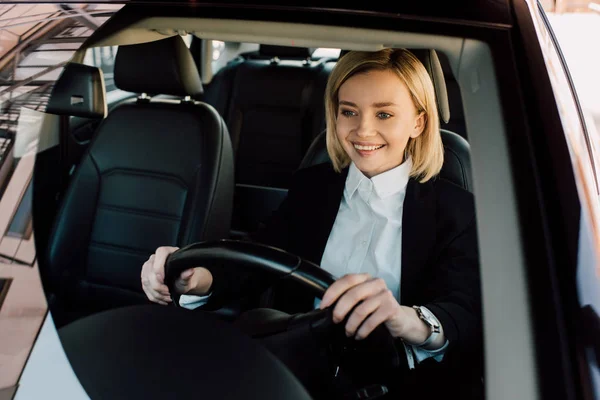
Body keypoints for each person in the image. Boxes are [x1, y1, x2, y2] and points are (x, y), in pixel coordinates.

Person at [141, 48, 482, 399]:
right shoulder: (313, 187)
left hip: (397, 383)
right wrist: (199, 277)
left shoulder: (456, 210)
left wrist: (403, 318)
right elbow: (260, 258)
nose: (364, 130)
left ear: (418, 122)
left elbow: (465, 310)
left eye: (384, 114)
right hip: (296, 368)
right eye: (349, 111)